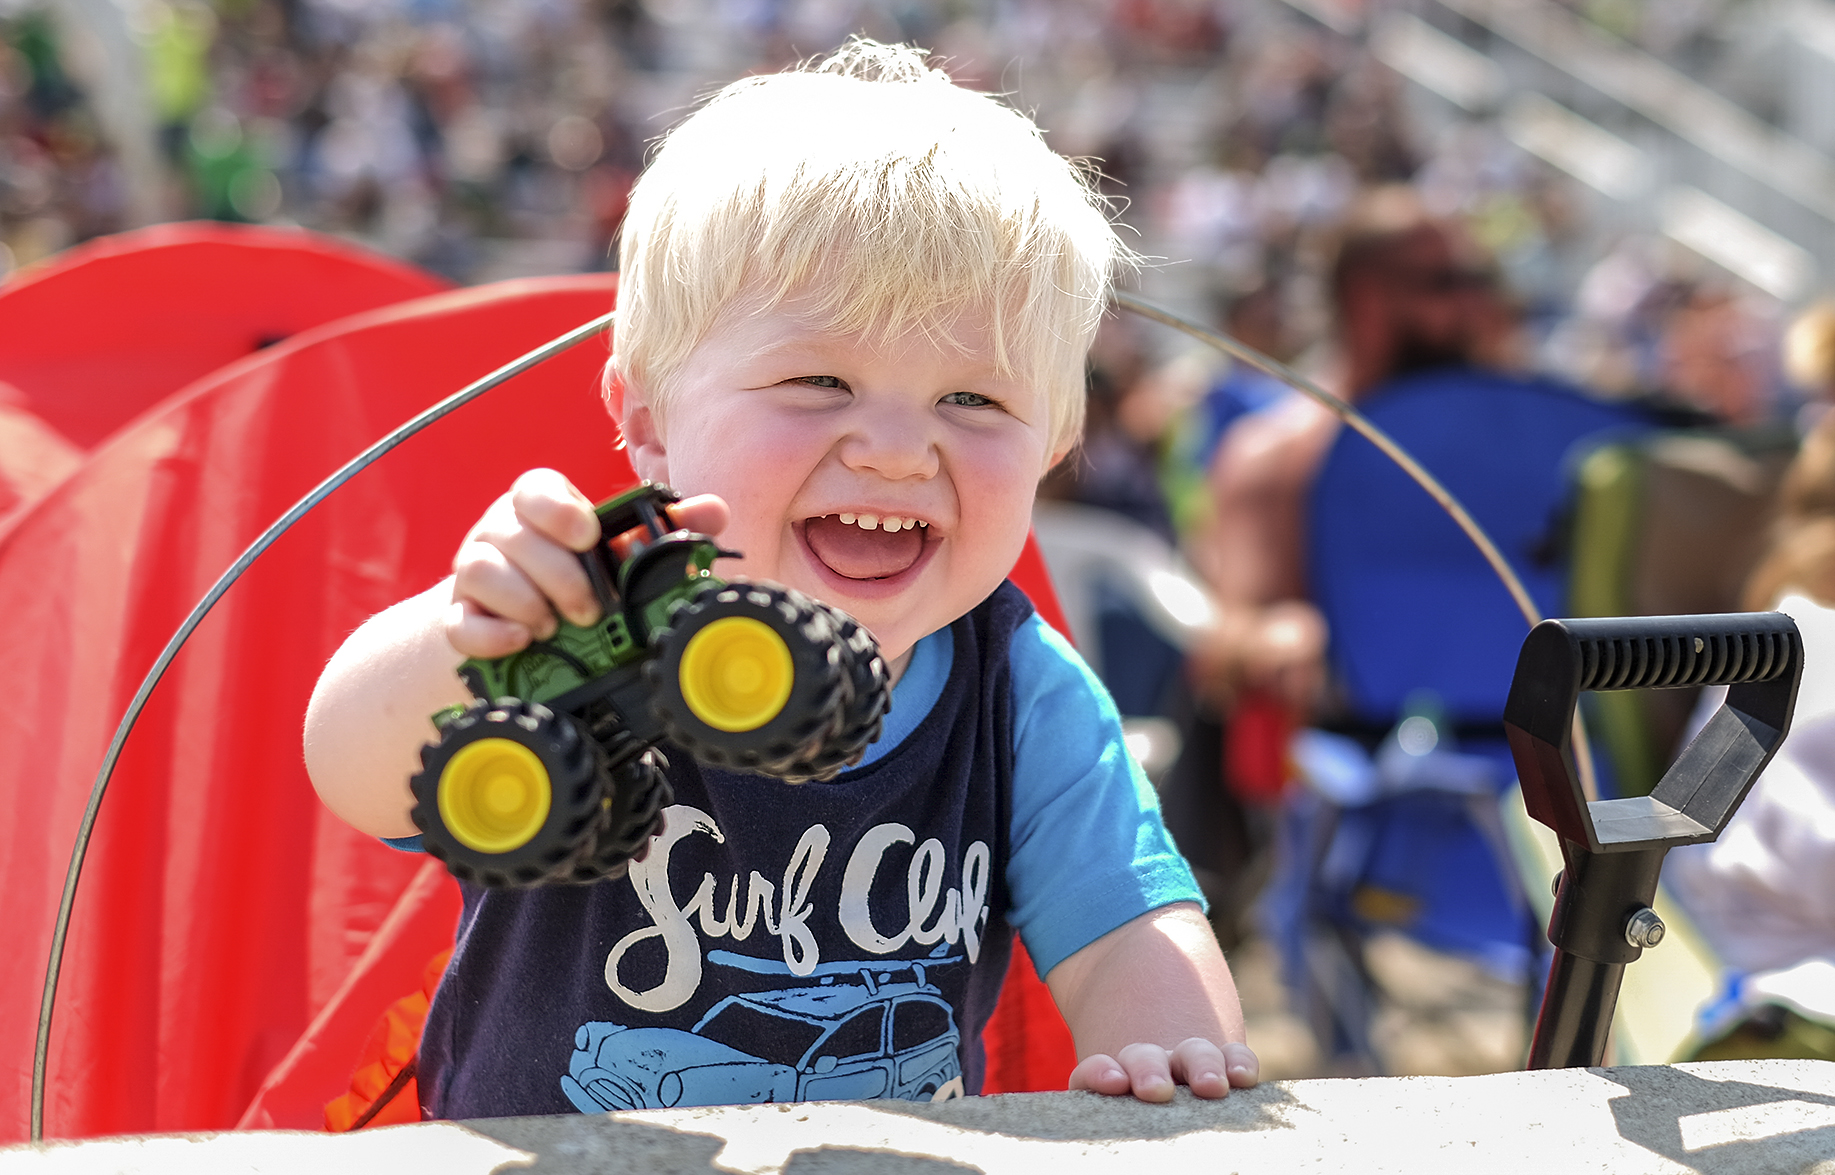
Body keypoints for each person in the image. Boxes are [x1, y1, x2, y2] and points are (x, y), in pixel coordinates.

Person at [302, 39, 1259, 1120]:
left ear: (1051, 447)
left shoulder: (1019, 692)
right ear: (648, 423)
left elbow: (1125, 928)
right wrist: (467, 633)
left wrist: (1168, 1047)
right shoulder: (593, 618)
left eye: (973, 402)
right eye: (818, 380)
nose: (897, 449)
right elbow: (352, 764)